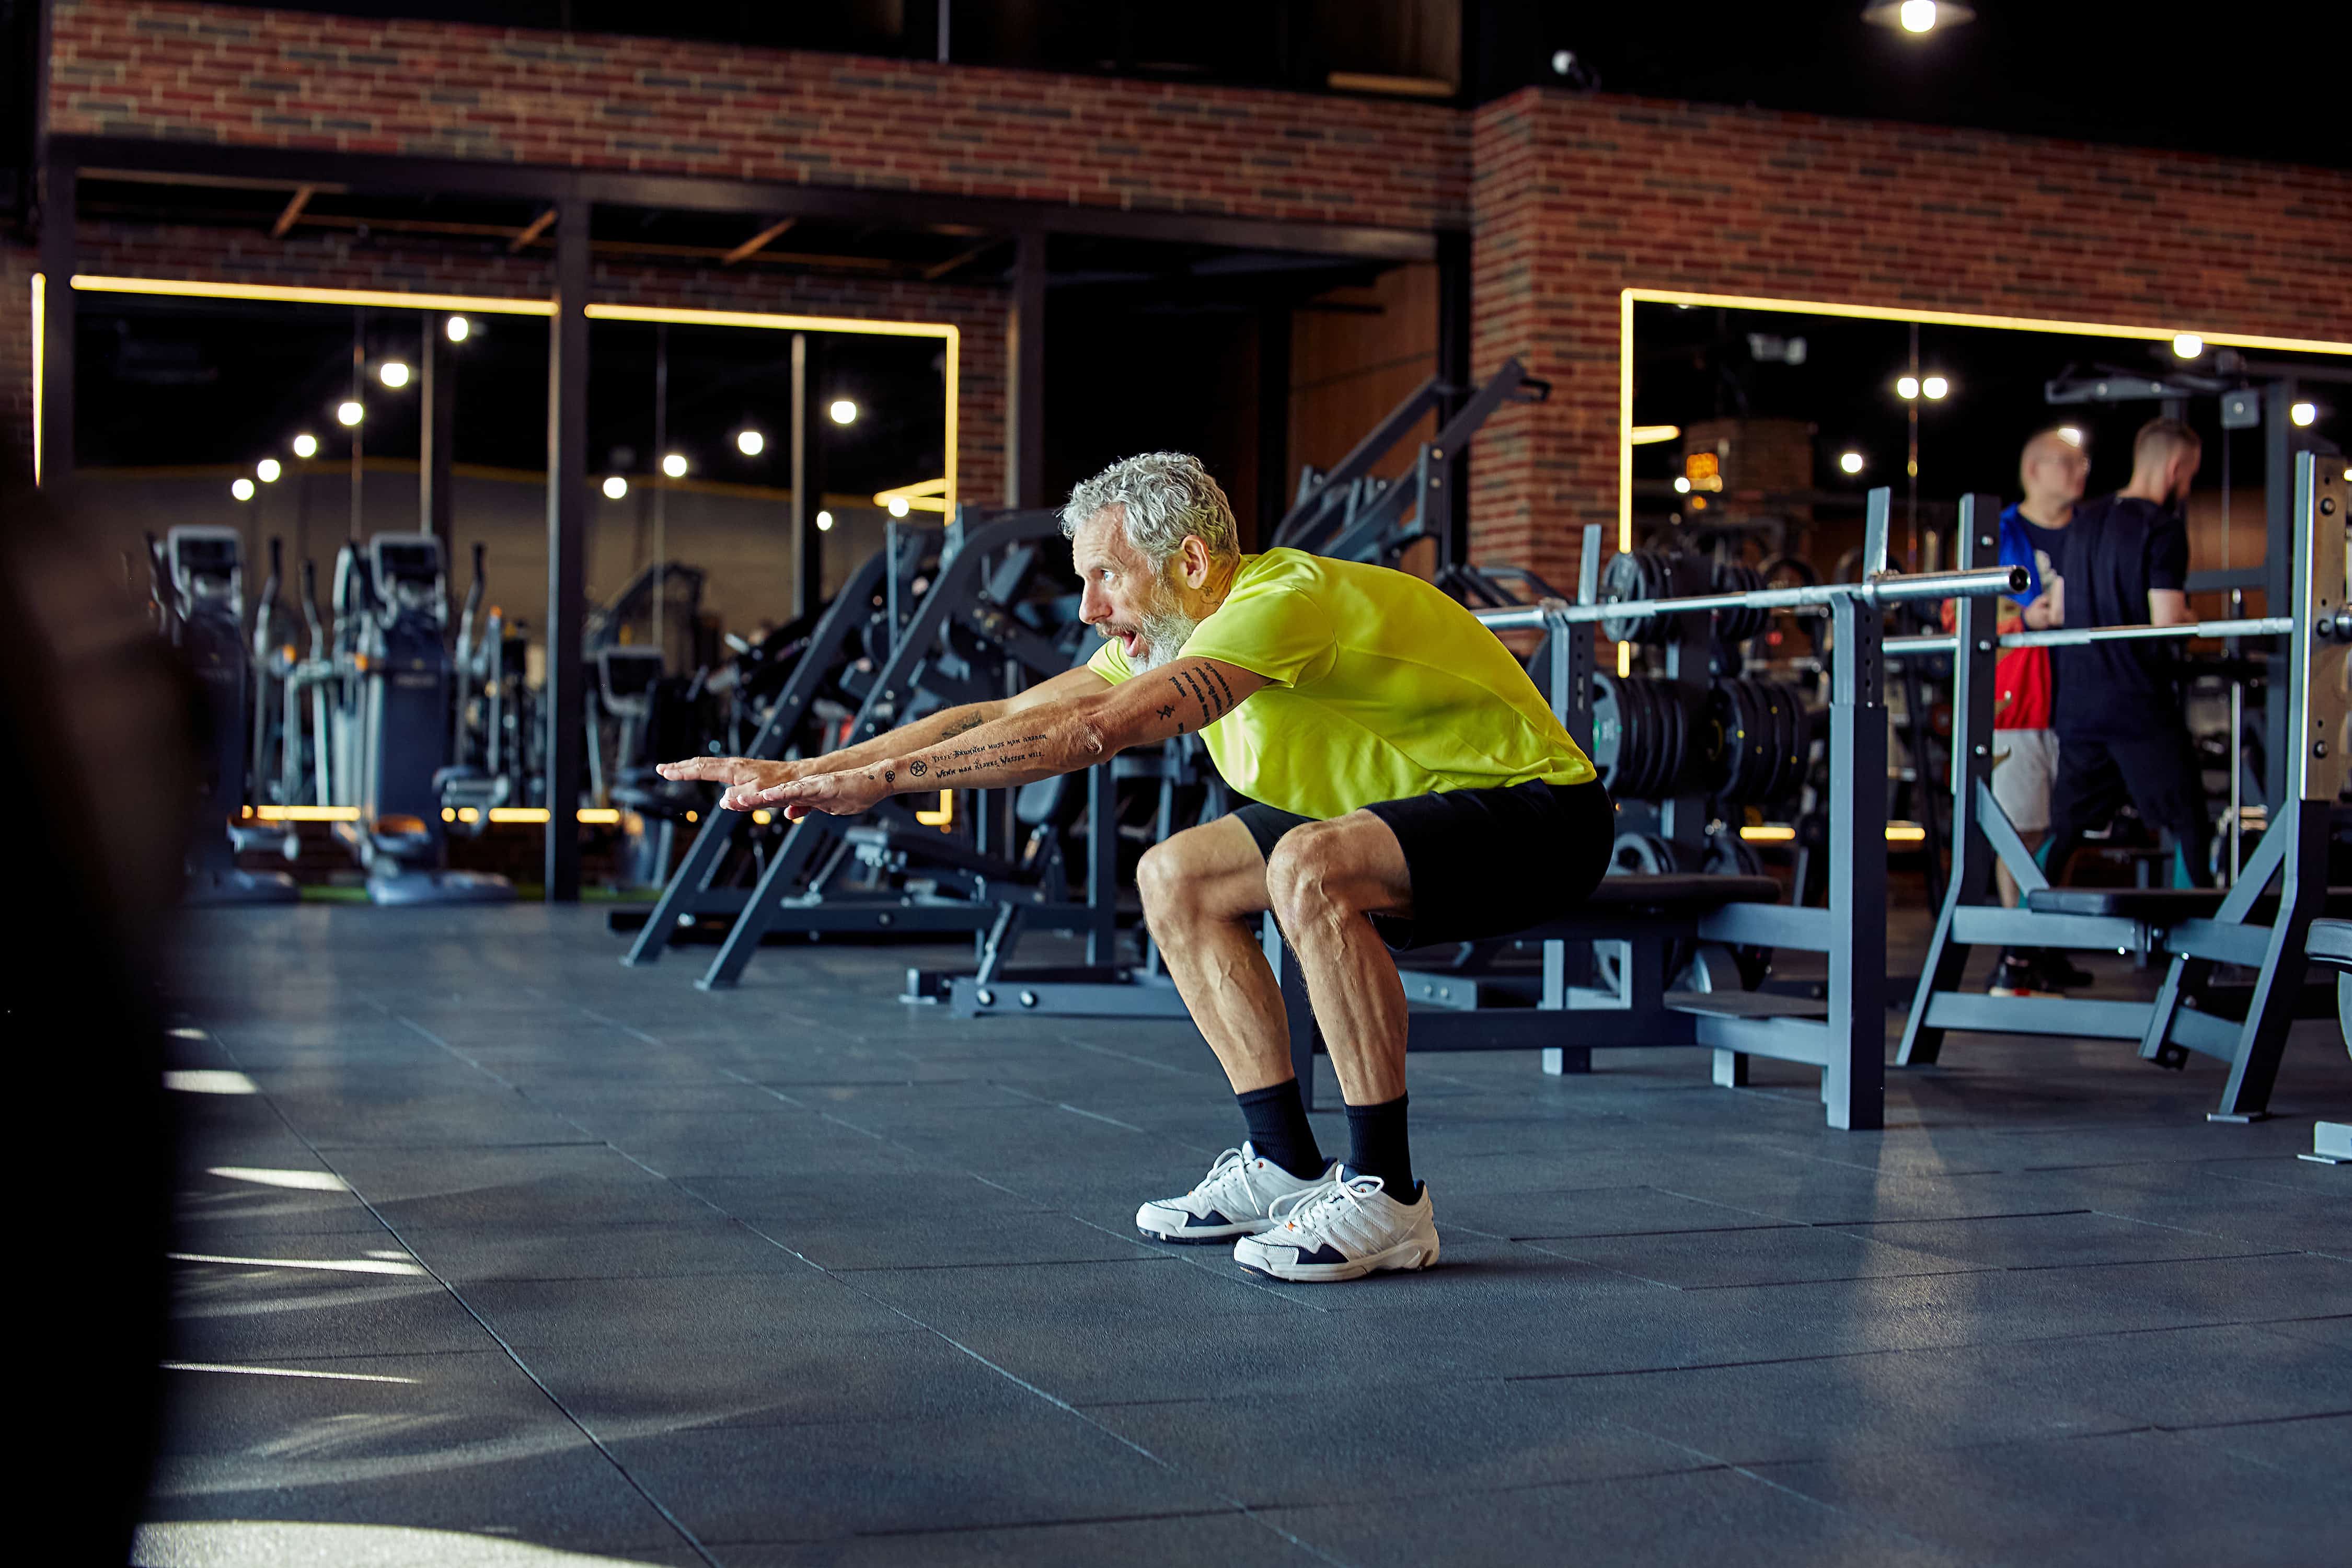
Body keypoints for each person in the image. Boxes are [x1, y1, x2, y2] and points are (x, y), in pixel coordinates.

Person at [659, 452, 1610, 1283]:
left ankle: (1390, 1197)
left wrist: (886, 783)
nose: (1088, 608)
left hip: (1540, 815)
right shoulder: (1179, 630)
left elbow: (1089, 734)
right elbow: (1001, 717)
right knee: (1176, 876)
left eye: (1107, 576)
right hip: (1399, 812)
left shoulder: (1281, 604)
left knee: (1307, 867)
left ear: (1191, 563)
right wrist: (815, 771)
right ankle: (1282, 1161)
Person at [2038, 417, 2210, 890]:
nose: (2188, 483)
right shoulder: (2164, 528)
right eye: (2190, 474)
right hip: (2138, 706)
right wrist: (2193, 619)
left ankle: (2018, 951)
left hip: (2079, 706)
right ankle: (2200, 958)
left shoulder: (2084, 521)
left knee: (2068, 830)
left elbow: (2060, 610)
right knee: (2188, 821)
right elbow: (2165, 621)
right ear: (2176, 466)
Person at [1986, 429, 2091, 997]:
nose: (2079, 472)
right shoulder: (1998, 534)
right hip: (2019, 704)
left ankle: (2043, 945)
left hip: (2080, 700)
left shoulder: (2093, 531)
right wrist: (2026, 622)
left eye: (2083, 462)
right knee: (2021, 830)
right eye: (2067, 463)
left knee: (2065, 829)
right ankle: (2017, 952)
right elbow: (1962, 620)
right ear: (2033, 469)